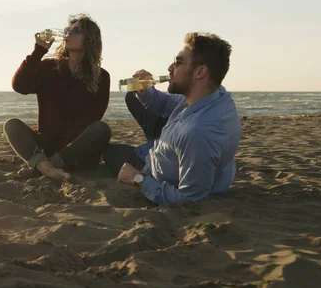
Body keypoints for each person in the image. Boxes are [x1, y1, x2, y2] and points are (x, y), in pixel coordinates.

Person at [103, 32, 241, 205]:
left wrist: (137, 179)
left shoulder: (198, 134)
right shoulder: (214, 95)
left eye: (178, 62)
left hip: (153, 174)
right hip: (162, 156)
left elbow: (189, 199)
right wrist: (145, 90)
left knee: (109, 153)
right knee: (131, 106)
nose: (170, 67)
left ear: (200, 72)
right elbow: (163, 103)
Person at [4, 13, 111, 181]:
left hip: (77, 152)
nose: (68, 33)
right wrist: (38, 52)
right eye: (68, 29)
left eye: (75, 30)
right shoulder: (49, 67)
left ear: (90, 38)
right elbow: (20, 86)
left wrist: (60, 153)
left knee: (101, 129)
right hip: (47, 145)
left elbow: (93, 118)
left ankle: (44, 167)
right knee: (12, 125)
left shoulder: (101, 76)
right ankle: (47, 167)